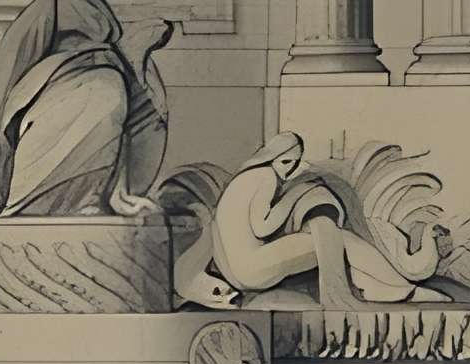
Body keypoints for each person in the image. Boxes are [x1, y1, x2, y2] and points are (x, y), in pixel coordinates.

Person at [0, 0, 172, 216]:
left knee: (113, 100)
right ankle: (38, 197)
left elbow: (117, 45)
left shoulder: (98, 3)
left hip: (105, 78)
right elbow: (23, 51)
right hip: (66, 80)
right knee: (105, 94)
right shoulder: (55, 1)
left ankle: (100, 194)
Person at [174, 131, 443, 312]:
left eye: (294, 163)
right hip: (253, 267)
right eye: (287, 162)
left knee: (334, 239)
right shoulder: (265, 177)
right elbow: (262, 226)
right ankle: (402, 289)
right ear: (273, 158)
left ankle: (388, 287)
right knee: (336, 238)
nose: (289, 169)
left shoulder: (245, 179)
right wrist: (296, 195)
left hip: (238, 270)